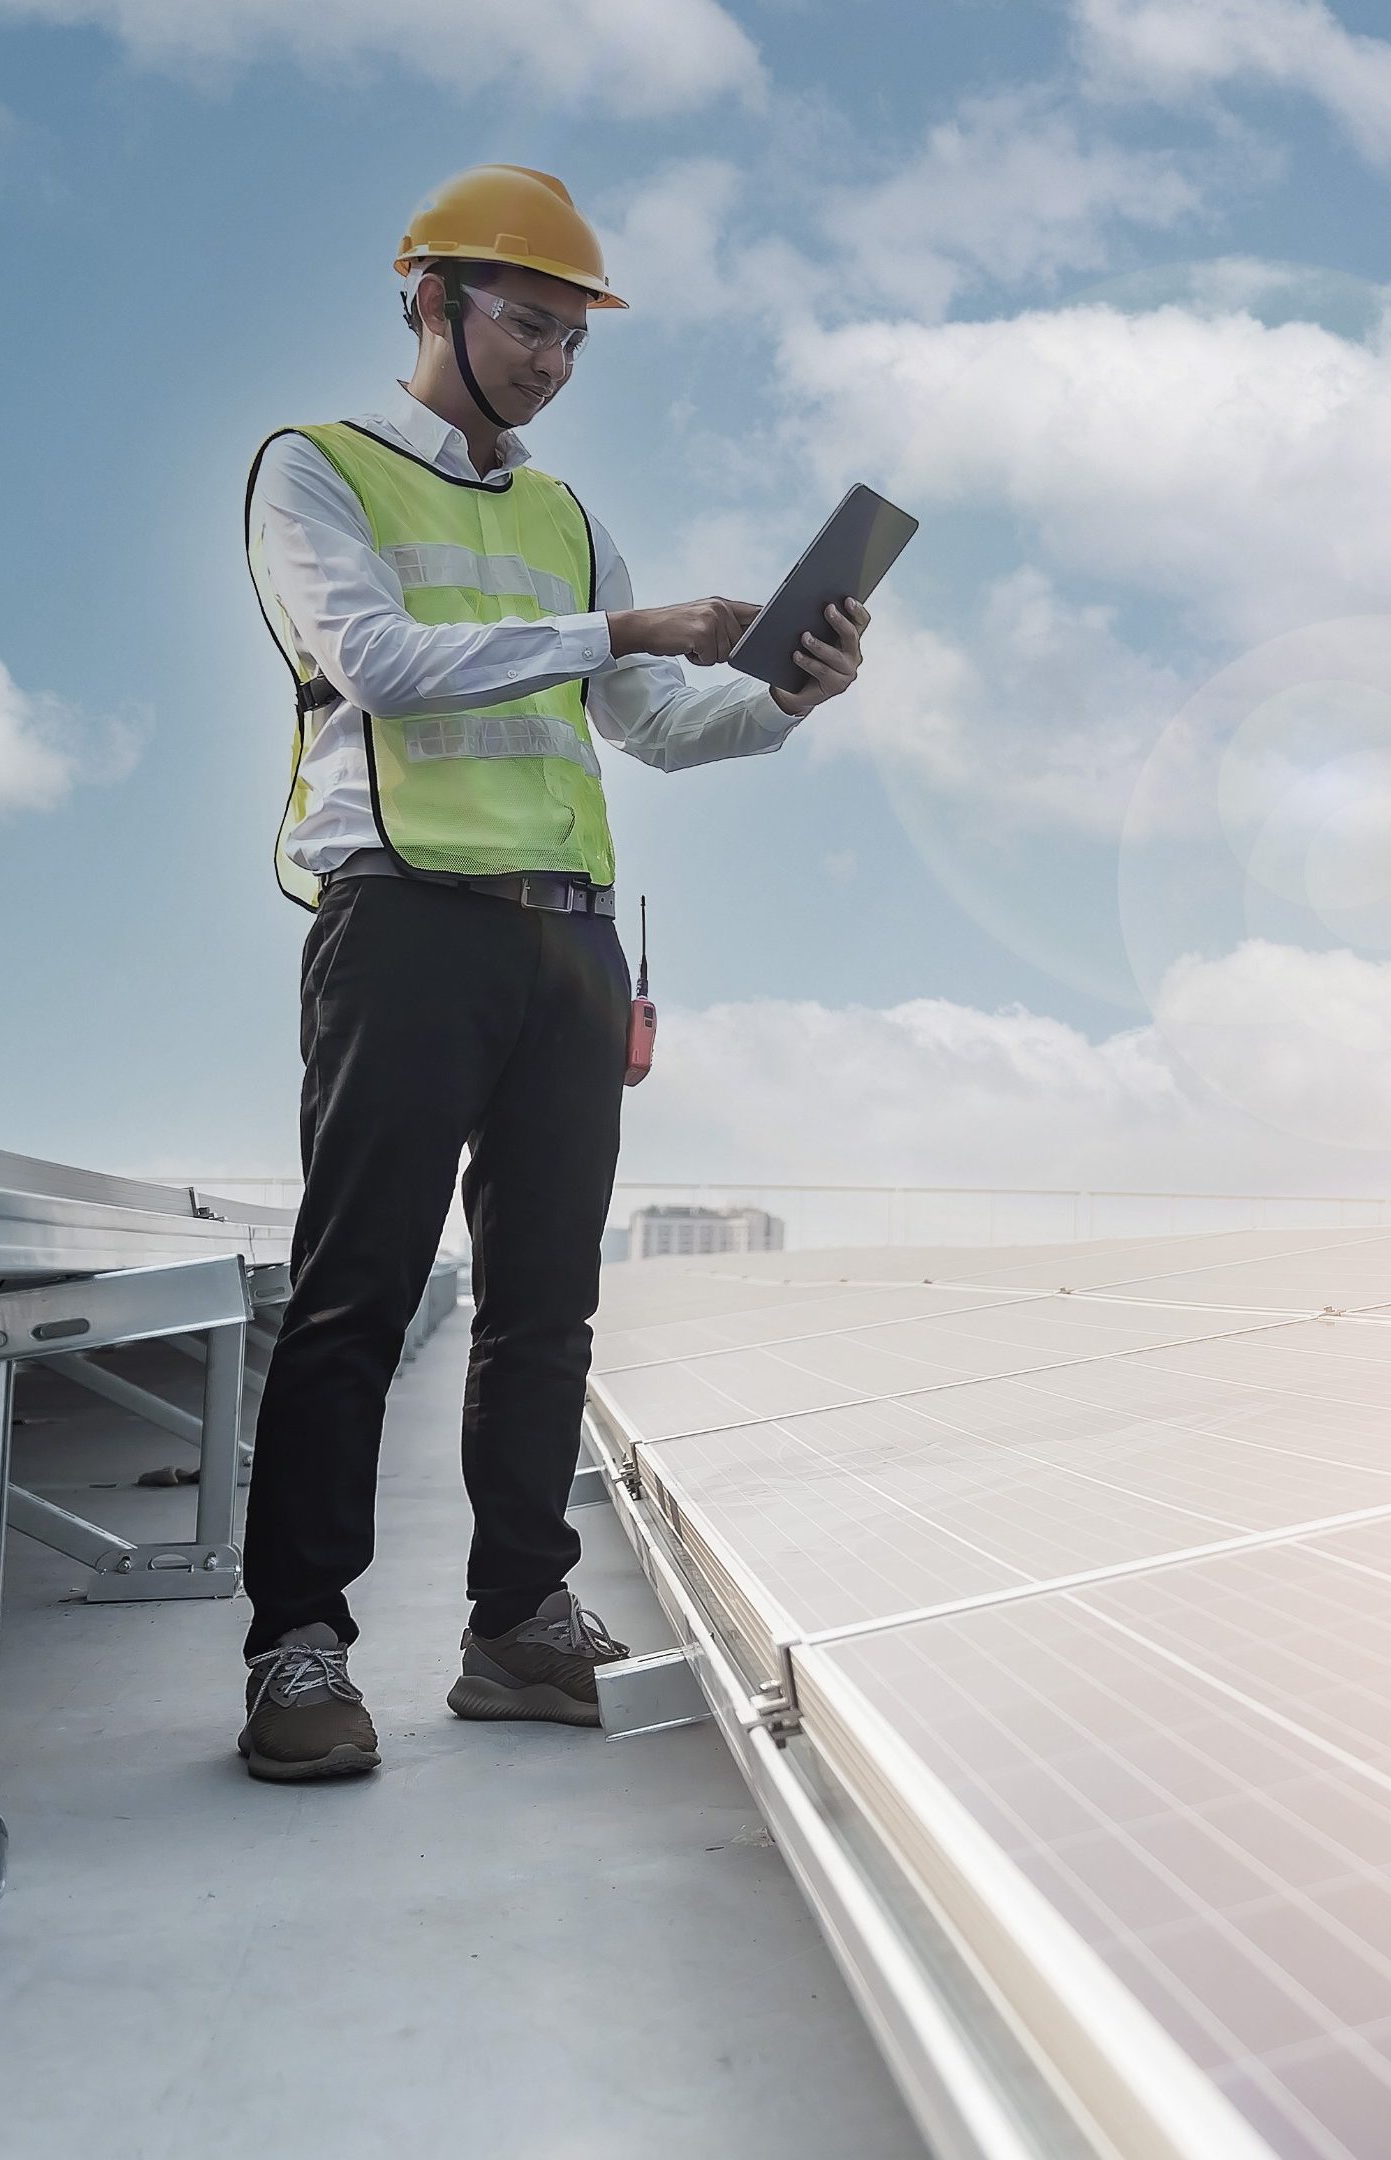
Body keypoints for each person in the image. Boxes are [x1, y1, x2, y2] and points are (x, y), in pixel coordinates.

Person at [231, 164, 867, 1782]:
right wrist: (620, 631)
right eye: (530, 324)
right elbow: (372, 661)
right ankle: (299, 1645)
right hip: (406, 925)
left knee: (544, 1308)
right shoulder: (319, 470)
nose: (553, 363)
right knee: (356, 1295)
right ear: (430, 301)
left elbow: (654, 729)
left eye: (576, 340)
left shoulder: (570, 520)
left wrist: (790, 697)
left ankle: (519, 1624)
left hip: (566, 942)